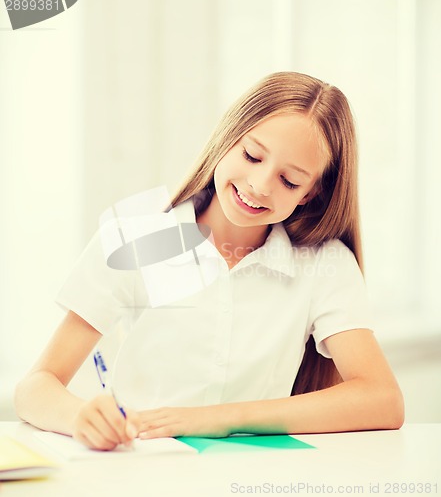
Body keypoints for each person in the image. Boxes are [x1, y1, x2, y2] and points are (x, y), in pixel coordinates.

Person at [15, 71, 404, 451]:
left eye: (289, 181)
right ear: (227, 139)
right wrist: (79, 417)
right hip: (145, 471)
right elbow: (35, 387)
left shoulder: (325, 264)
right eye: (252, 155)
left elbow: (382, 399)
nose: (260, 184)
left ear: (310, 193)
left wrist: (219, 419)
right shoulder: (136, 235)